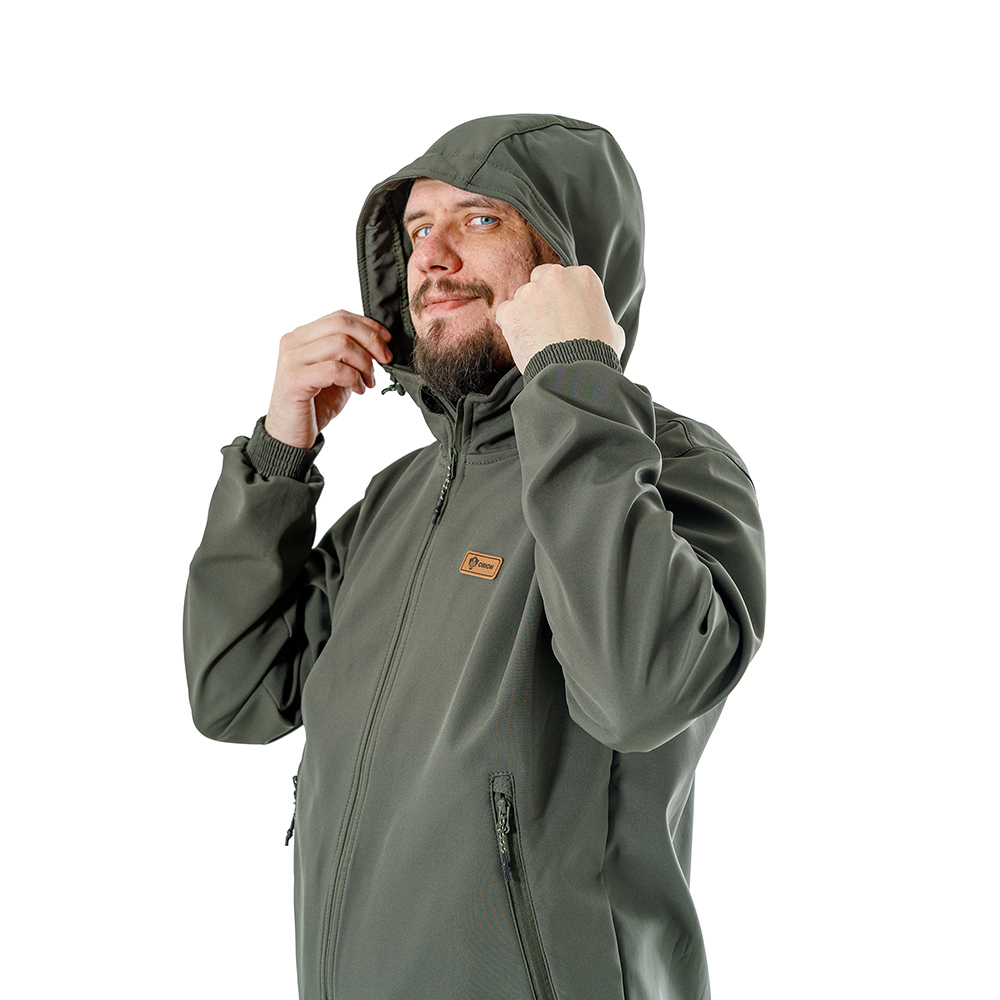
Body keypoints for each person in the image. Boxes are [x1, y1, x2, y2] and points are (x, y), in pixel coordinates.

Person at [184, 113, 766, 1000]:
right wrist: (277, 454)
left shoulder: (671, 466)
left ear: (572, 264)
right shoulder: (400, 495)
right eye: (419, 229)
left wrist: (575, 375)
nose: (432, 256)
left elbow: (639, 692)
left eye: (480, 219)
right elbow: (236, 694)